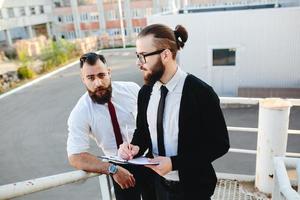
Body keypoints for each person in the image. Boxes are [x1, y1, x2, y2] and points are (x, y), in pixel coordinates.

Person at [118, 24, 230, 200]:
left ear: (165, 54)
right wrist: (134, 147)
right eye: (137, 56)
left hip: (193, 189)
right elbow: (143, 132)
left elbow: (219, 144)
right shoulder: (145, 93)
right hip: (155, 187)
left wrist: (174, 163)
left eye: (143, 56)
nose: (138, 63)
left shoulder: (201, 93)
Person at [67, 52, 156, 200]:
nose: (98, 83)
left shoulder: (132, 90)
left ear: (109, 72)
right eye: (90, 78)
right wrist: (112, 169)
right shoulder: (80, 112)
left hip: (150, 162)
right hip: (119, 170)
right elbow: (76, 156)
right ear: (83, 79)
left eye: (101, 75)